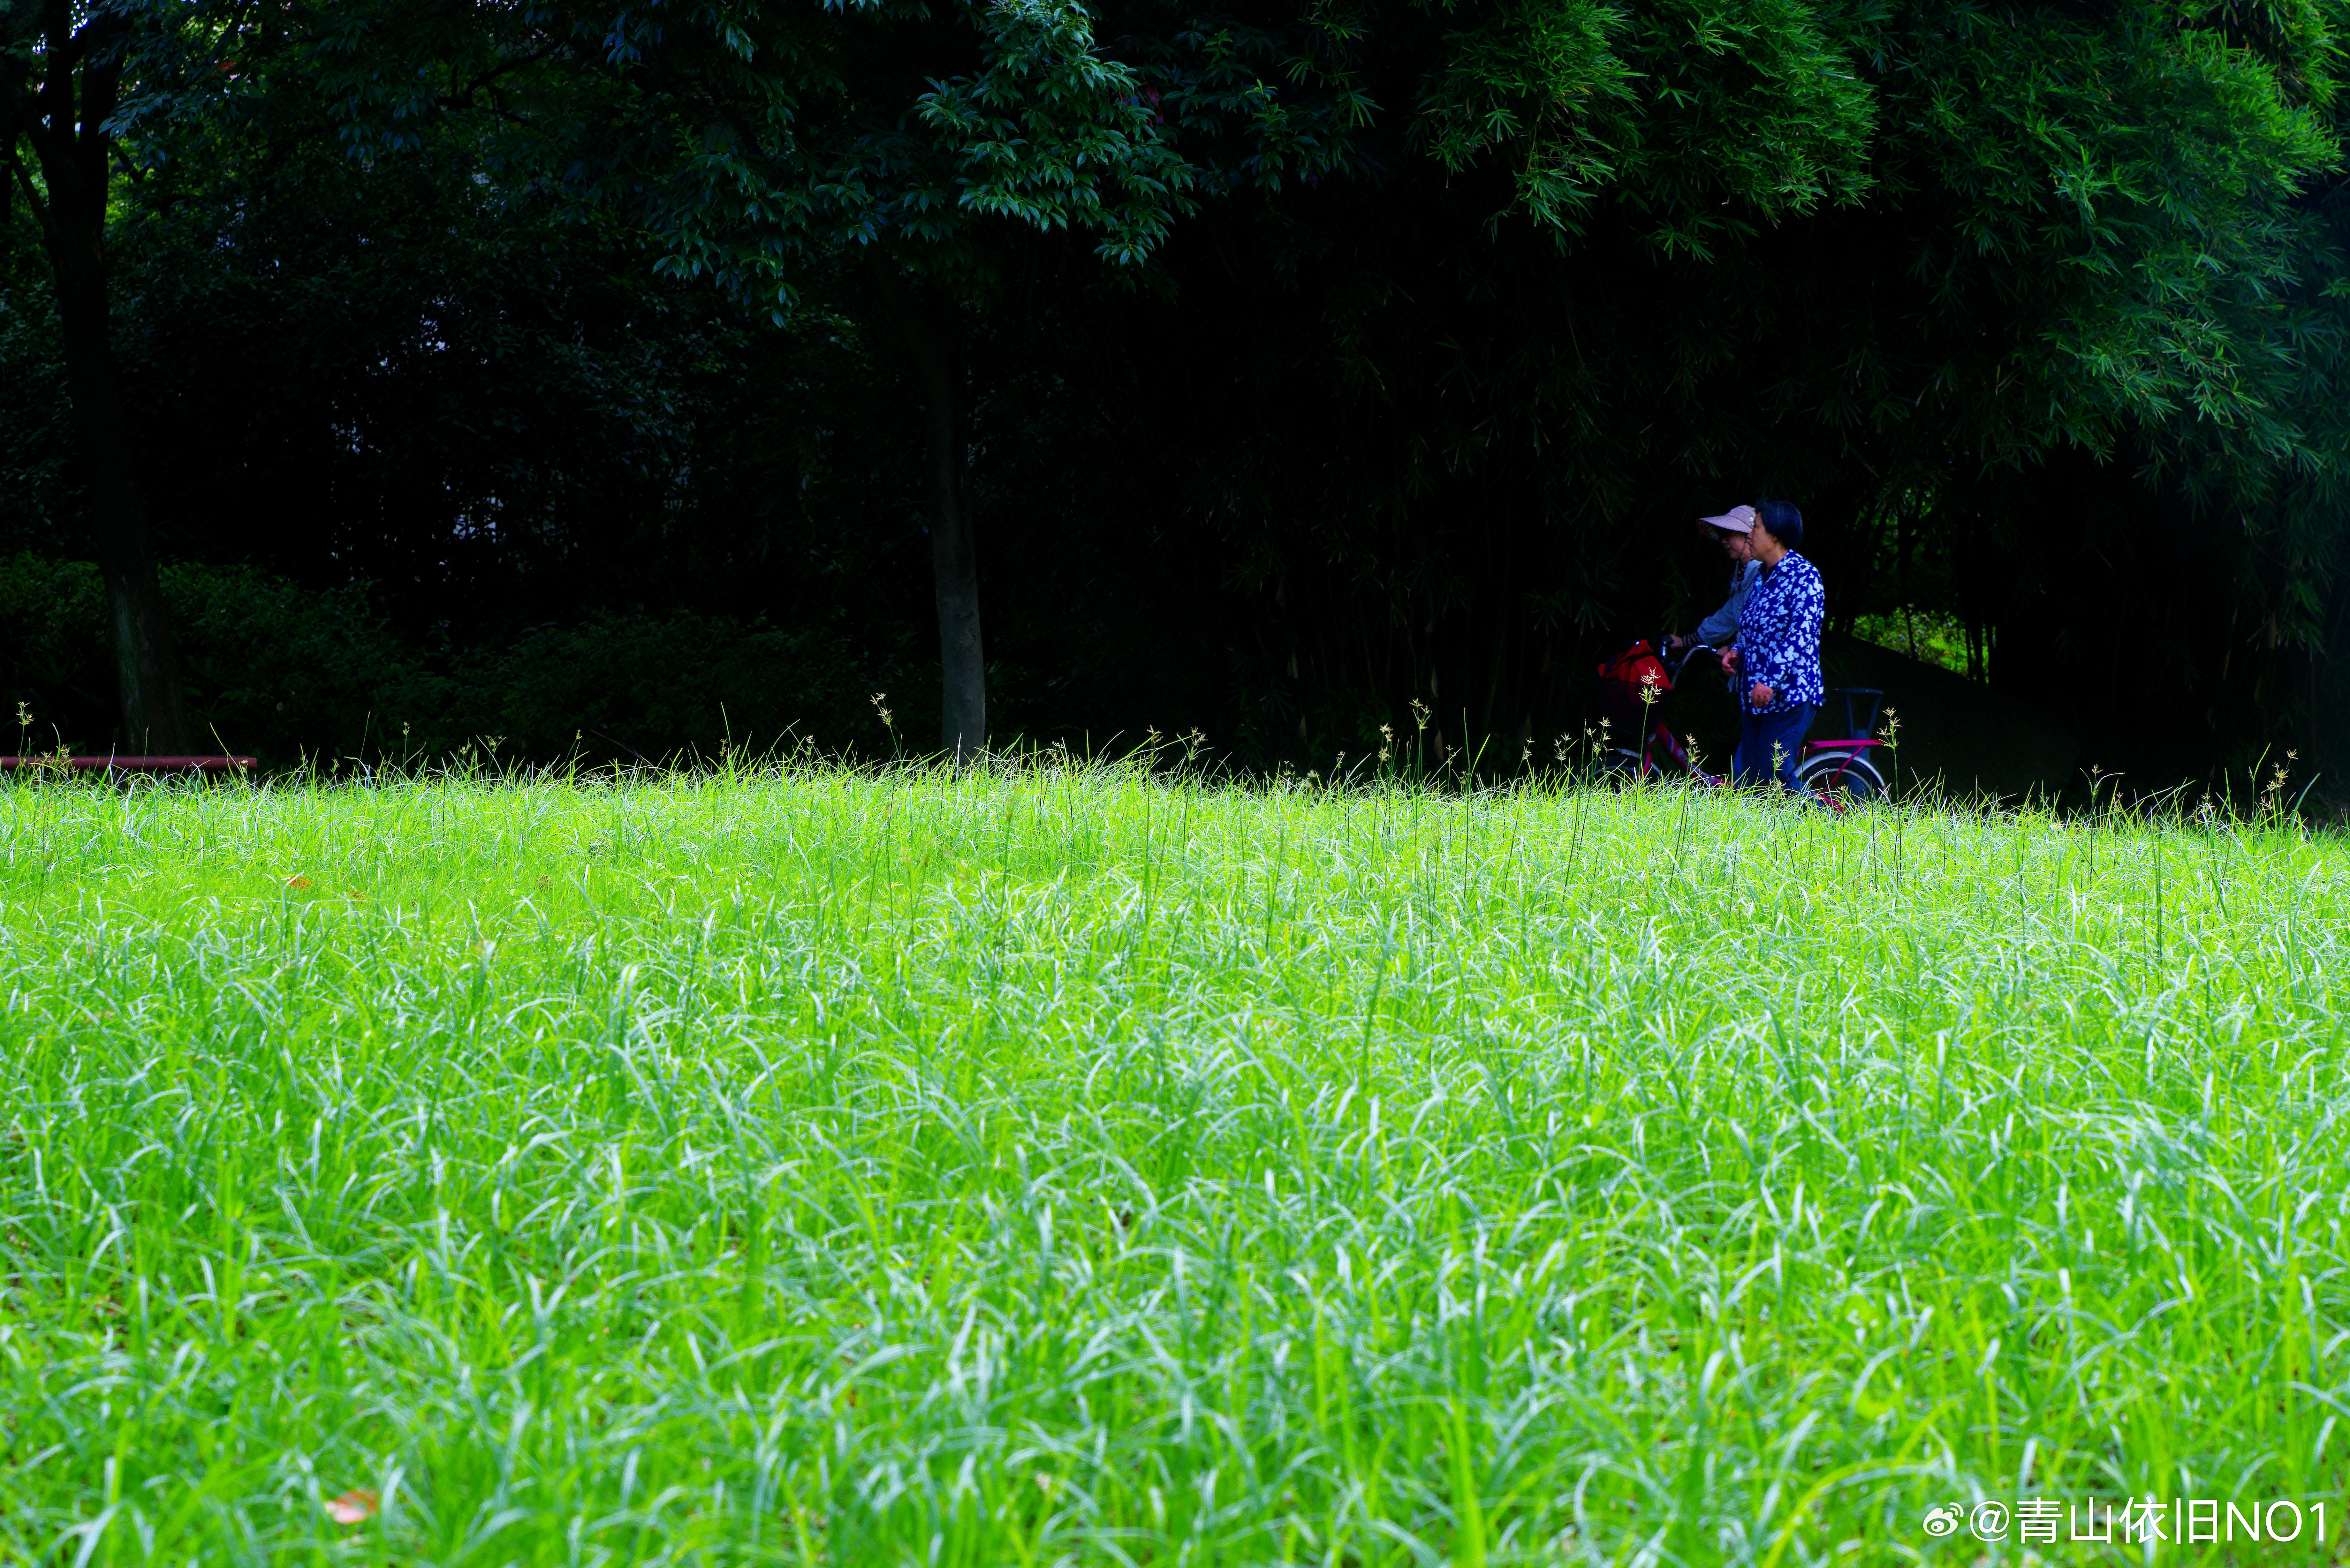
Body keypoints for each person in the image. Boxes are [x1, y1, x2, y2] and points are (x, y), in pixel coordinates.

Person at [1723, 499, 1824, 791]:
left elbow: (1800, 637)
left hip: (1789, 695)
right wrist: (1737, 652)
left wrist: (1768, 680)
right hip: (1757, 696)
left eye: (1756, 527)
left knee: (1775, 775)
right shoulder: (1762, 578)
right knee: (1750, 779)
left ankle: (1827, 826)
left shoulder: (1804, 576)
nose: (1750, 534)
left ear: (1775, 535)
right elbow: (1751, 630)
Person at [1666, 505, 1762, 653]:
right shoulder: (1743, 576)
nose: (1723, 541)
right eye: (1721, 536)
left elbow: (1764, 628)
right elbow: (1726, 618)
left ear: (1749, 535)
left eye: (1729, 534)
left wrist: (1733, 649)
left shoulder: (1765, 574)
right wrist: (1685, 642)